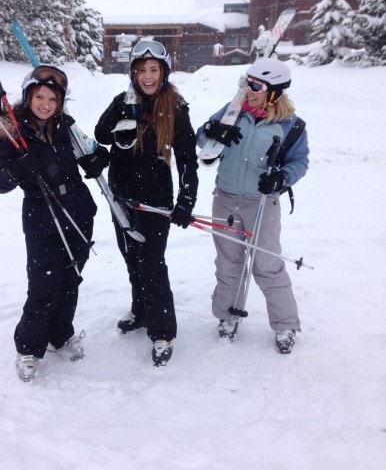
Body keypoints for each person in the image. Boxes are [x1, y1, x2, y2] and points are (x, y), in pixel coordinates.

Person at [0, 65, 110, 381]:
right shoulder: (13, 135)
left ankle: (61, 335)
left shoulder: (67, 127)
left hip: (79, 212)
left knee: (71, 280)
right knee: (44, 287)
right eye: (39, 97)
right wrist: (16, 171)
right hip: (42, 218)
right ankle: (29, 348)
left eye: (52, 98)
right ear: (28, 97)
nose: (45, 104)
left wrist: (99, 158)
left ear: (60, 102)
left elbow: (90, 152)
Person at [94, 40, 198, 366]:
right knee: (131, 260)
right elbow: (100, 134)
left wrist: (186, 200)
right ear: (133, 73)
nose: (147, 76)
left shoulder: (176, 108)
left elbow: (187, 160)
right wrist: (121, 110)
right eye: (142, 70)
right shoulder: (123, 101)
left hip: (155, 200)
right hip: (121, 196)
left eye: (154, 70)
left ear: (164, 72)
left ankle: (163, 331)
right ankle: (140, 311)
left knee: (152, 264)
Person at [196, 58, 309, 354]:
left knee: (267, 264)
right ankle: (227, 315)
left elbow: (300, 161)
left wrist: (282, 178)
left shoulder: (291, 126)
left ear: (274, 91)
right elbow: (202, 137)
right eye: (247, 82)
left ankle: (285, 323)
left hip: (262, 202)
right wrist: (213, 129)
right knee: (228, 262)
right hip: (225, 197)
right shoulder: (234, 110)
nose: (249, 89)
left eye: (256, 85)